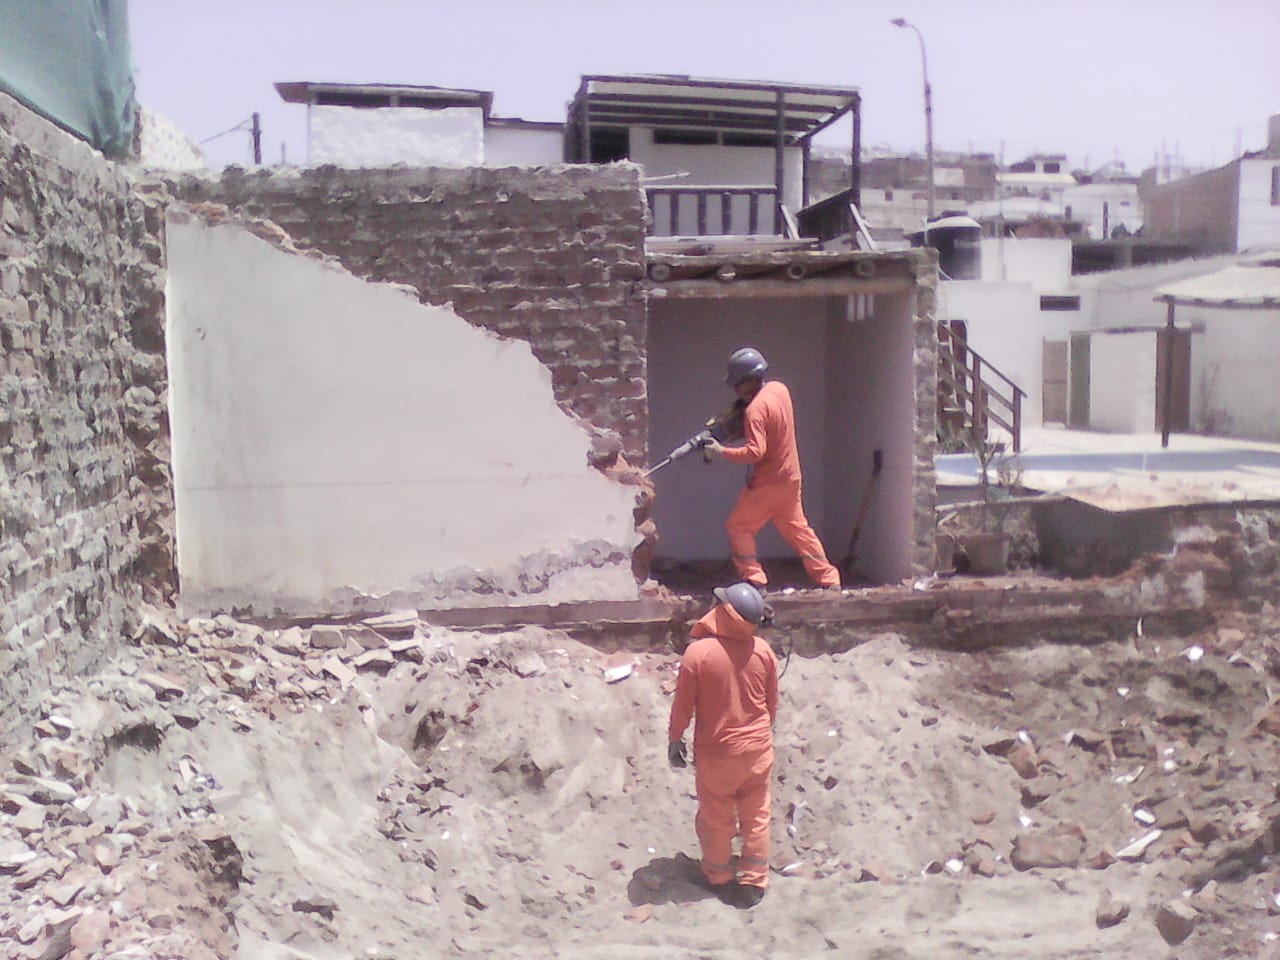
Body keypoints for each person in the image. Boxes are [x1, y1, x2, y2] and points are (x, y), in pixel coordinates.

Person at [667, 582, 777, 909]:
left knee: (716, 818)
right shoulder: (763, 651)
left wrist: (675, 738)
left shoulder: (698, 654)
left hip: (717, 754)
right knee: (757, 816)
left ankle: (720, 878)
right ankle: (755, 881)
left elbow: (683, 705)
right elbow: (771, 704)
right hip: (758, 750)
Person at [704, 347, 841, 591]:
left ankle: (754, 579)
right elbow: (773, 424)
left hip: (767, 484)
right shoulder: (779, 389)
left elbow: (755, 452)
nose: (736, 389)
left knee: (738, 526)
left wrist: (720, 451)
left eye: (738, 384)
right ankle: (829, 578)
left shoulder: (755, 411)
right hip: (790, 479)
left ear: (749, 380)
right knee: (798, 530)